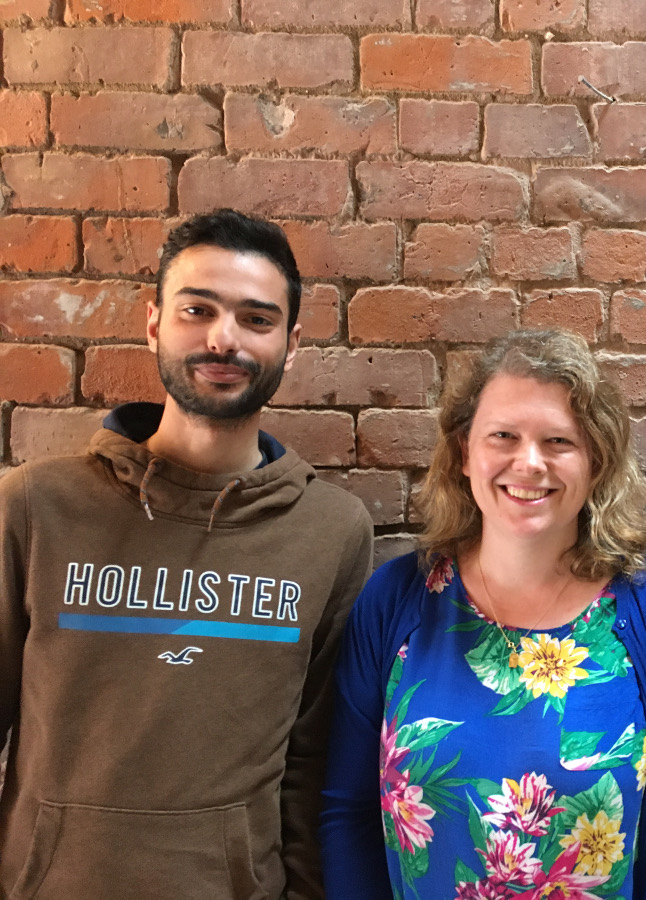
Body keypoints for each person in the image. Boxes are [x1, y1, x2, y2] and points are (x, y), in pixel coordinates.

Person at [0, 209, 375, 898]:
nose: (222, 339)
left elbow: (313, 764)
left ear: (291, 345)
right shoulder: (32, 506)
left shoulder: (332, 531)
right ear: (154, 323)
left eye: (256, 320)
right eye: (197, 310)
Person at [321, 328, 646, 899]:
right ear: (465, 452)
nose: (530, 462)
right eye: (503, 435)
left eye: (560, 441)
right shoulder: (397, 600)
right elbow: (347, 814)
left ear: (597, 461)